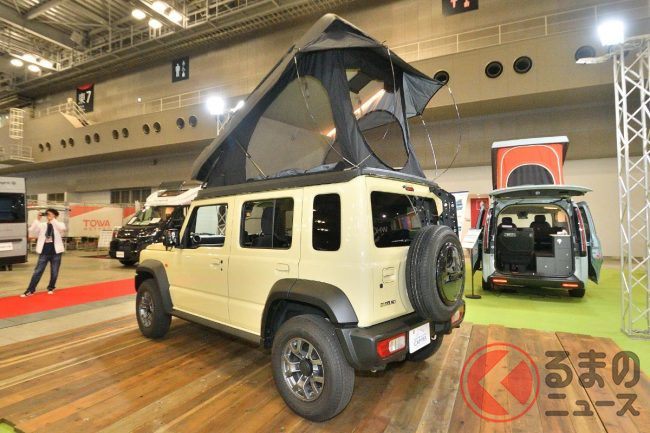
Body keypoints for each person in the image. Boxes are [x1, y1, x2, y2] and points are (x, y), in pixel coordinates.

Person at [21, 208, 66, 297]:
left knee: (54, 272)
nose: (48, 215)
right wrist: (38, 219)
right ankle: (30, 290)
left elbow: (62, 228)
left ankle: (51, 287)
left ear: (55, 215)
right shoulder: (42, 225)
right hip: (44, 252)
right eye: (47, 214)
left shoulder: (59, 224)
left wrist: (52, 220)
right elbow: (31, 230)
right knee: (37, 271)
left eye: (50, 214)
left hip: (56, 252)